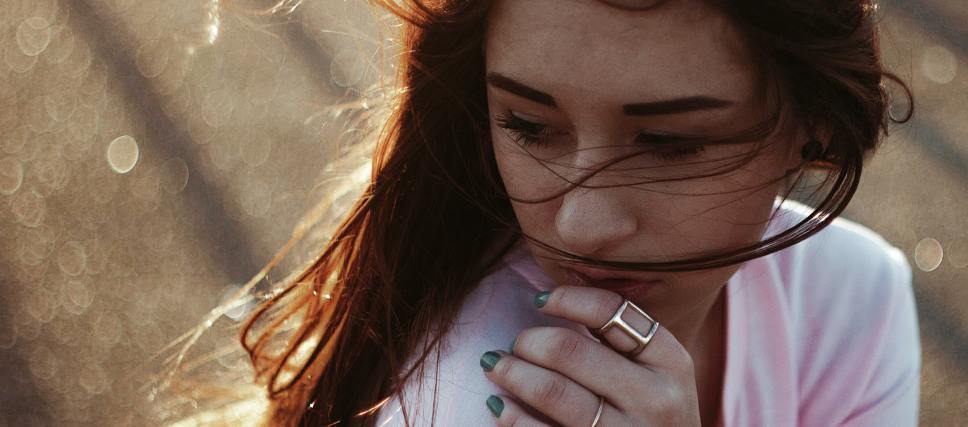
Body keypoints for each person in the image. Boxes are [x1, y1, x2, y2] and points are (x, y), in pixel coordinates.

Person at [235, 0, 920, 425]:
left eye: (670, 143)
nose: (580, 224)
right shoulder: (465, 395)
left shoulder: (856, 301)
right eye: (529, 125)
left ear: (815, 123)